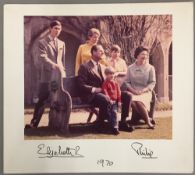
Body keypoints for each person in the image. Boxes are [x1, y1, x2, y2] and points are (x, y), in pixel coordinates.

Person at [78, 44, 134, 133]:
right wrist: (94, 89)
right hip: (91, 95)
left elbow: (109, 82)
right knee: (104, 98)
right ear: (93, 52)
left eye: (103, 51)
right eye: (100, 51)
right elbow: (81, 85)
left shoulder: (103, 67)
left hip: (105, 93)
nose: (103, 52)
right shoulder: (84, 67)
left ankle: (123, 122)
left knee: (128, 95)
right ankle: (101, 124)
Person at [26, 20, 66, 128]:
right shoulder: (42, 42)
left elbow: (62, 60)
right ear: (50, 29)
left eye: (59, 29)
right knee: (42, 100)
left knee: (56, 99)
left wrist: (63, 71)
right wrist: (53, 65)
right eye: (55, 28)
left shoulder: (62, 43)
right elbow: (43, 57)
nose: (57, 31)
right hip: (47, 77)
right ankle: (34, 123)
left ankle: (55, 123)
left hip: (57, 78)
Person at [122, 46, 156, 129]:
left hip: (145, 91)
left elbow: (152, 82)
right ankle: (146, 118)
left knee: (139, 102)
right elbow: (127, 82)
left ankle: (147, 122)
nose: (145, 56)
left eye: (146, 54)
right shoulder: (130, 68)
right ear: (137, 55)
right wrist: (133, 90)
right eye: (142, 54)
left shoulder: (150, 68)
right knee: (133, 101)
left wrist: (143, 90)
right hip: (133, 91)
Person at [102, 67, 121, 135]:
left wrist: (119, 101)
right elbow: (105, 91)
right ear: (106, 75)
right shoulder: (105, 83)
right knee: (110, 114)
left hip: (115, 102)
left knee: (114, 113)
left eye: (113, 73)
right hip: (109, 102)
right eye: (110, 74)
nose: (112, 75)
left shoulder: (116, 83)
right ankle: (111, 127)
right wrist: (109, 99)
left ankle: (115, 128)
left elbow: (119, 93)